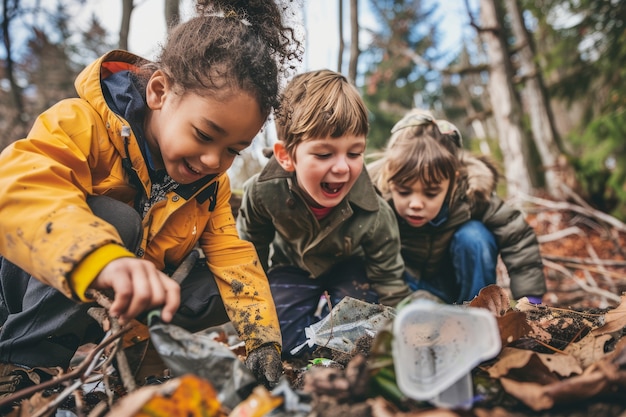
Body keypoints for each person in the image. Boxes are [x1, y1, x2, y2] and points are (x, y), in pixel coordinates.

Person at [0, 0, 303, 392]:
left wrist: (262, 336)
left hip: (114, 312)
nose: (214, 160)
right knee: (119, 221)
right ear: (160, 91)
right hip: (24, 285)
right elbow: (23, 190)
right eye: (205, 135)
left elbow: (233, 258)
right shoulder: (79, 124)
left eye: (233, 150)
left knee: (216, 282)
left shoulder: (210, 187)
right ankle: (22, 367)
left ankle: (129, 366)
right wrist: (100, 258)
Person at [236, 69, 412, 357]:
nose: (342, 167)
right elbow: (249, 257)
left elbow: (391, 282)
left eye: (354, 153)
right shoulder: (263, 192)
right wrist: (256, 323)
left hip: (350, 267)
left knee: (361, 336)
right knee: (281, 343)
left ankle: (331, 346)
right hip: (292, 265)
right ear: (286, 156)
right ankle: (314, 343)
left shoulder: (375, 212)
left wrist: (404, 328)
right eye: (324, 154)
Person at [369, 109, 547, 305]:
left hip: (455, 285)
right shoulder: (376, 200)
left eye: (430, 194)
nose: (416, 204)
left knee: (475, 236)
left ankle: (479, 311)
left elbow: (518, 237)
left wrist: (531, 298)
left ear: (452, 182)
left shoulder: (470, 196)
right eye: (404, 192)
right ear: (389, 179)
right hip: (402, 287)